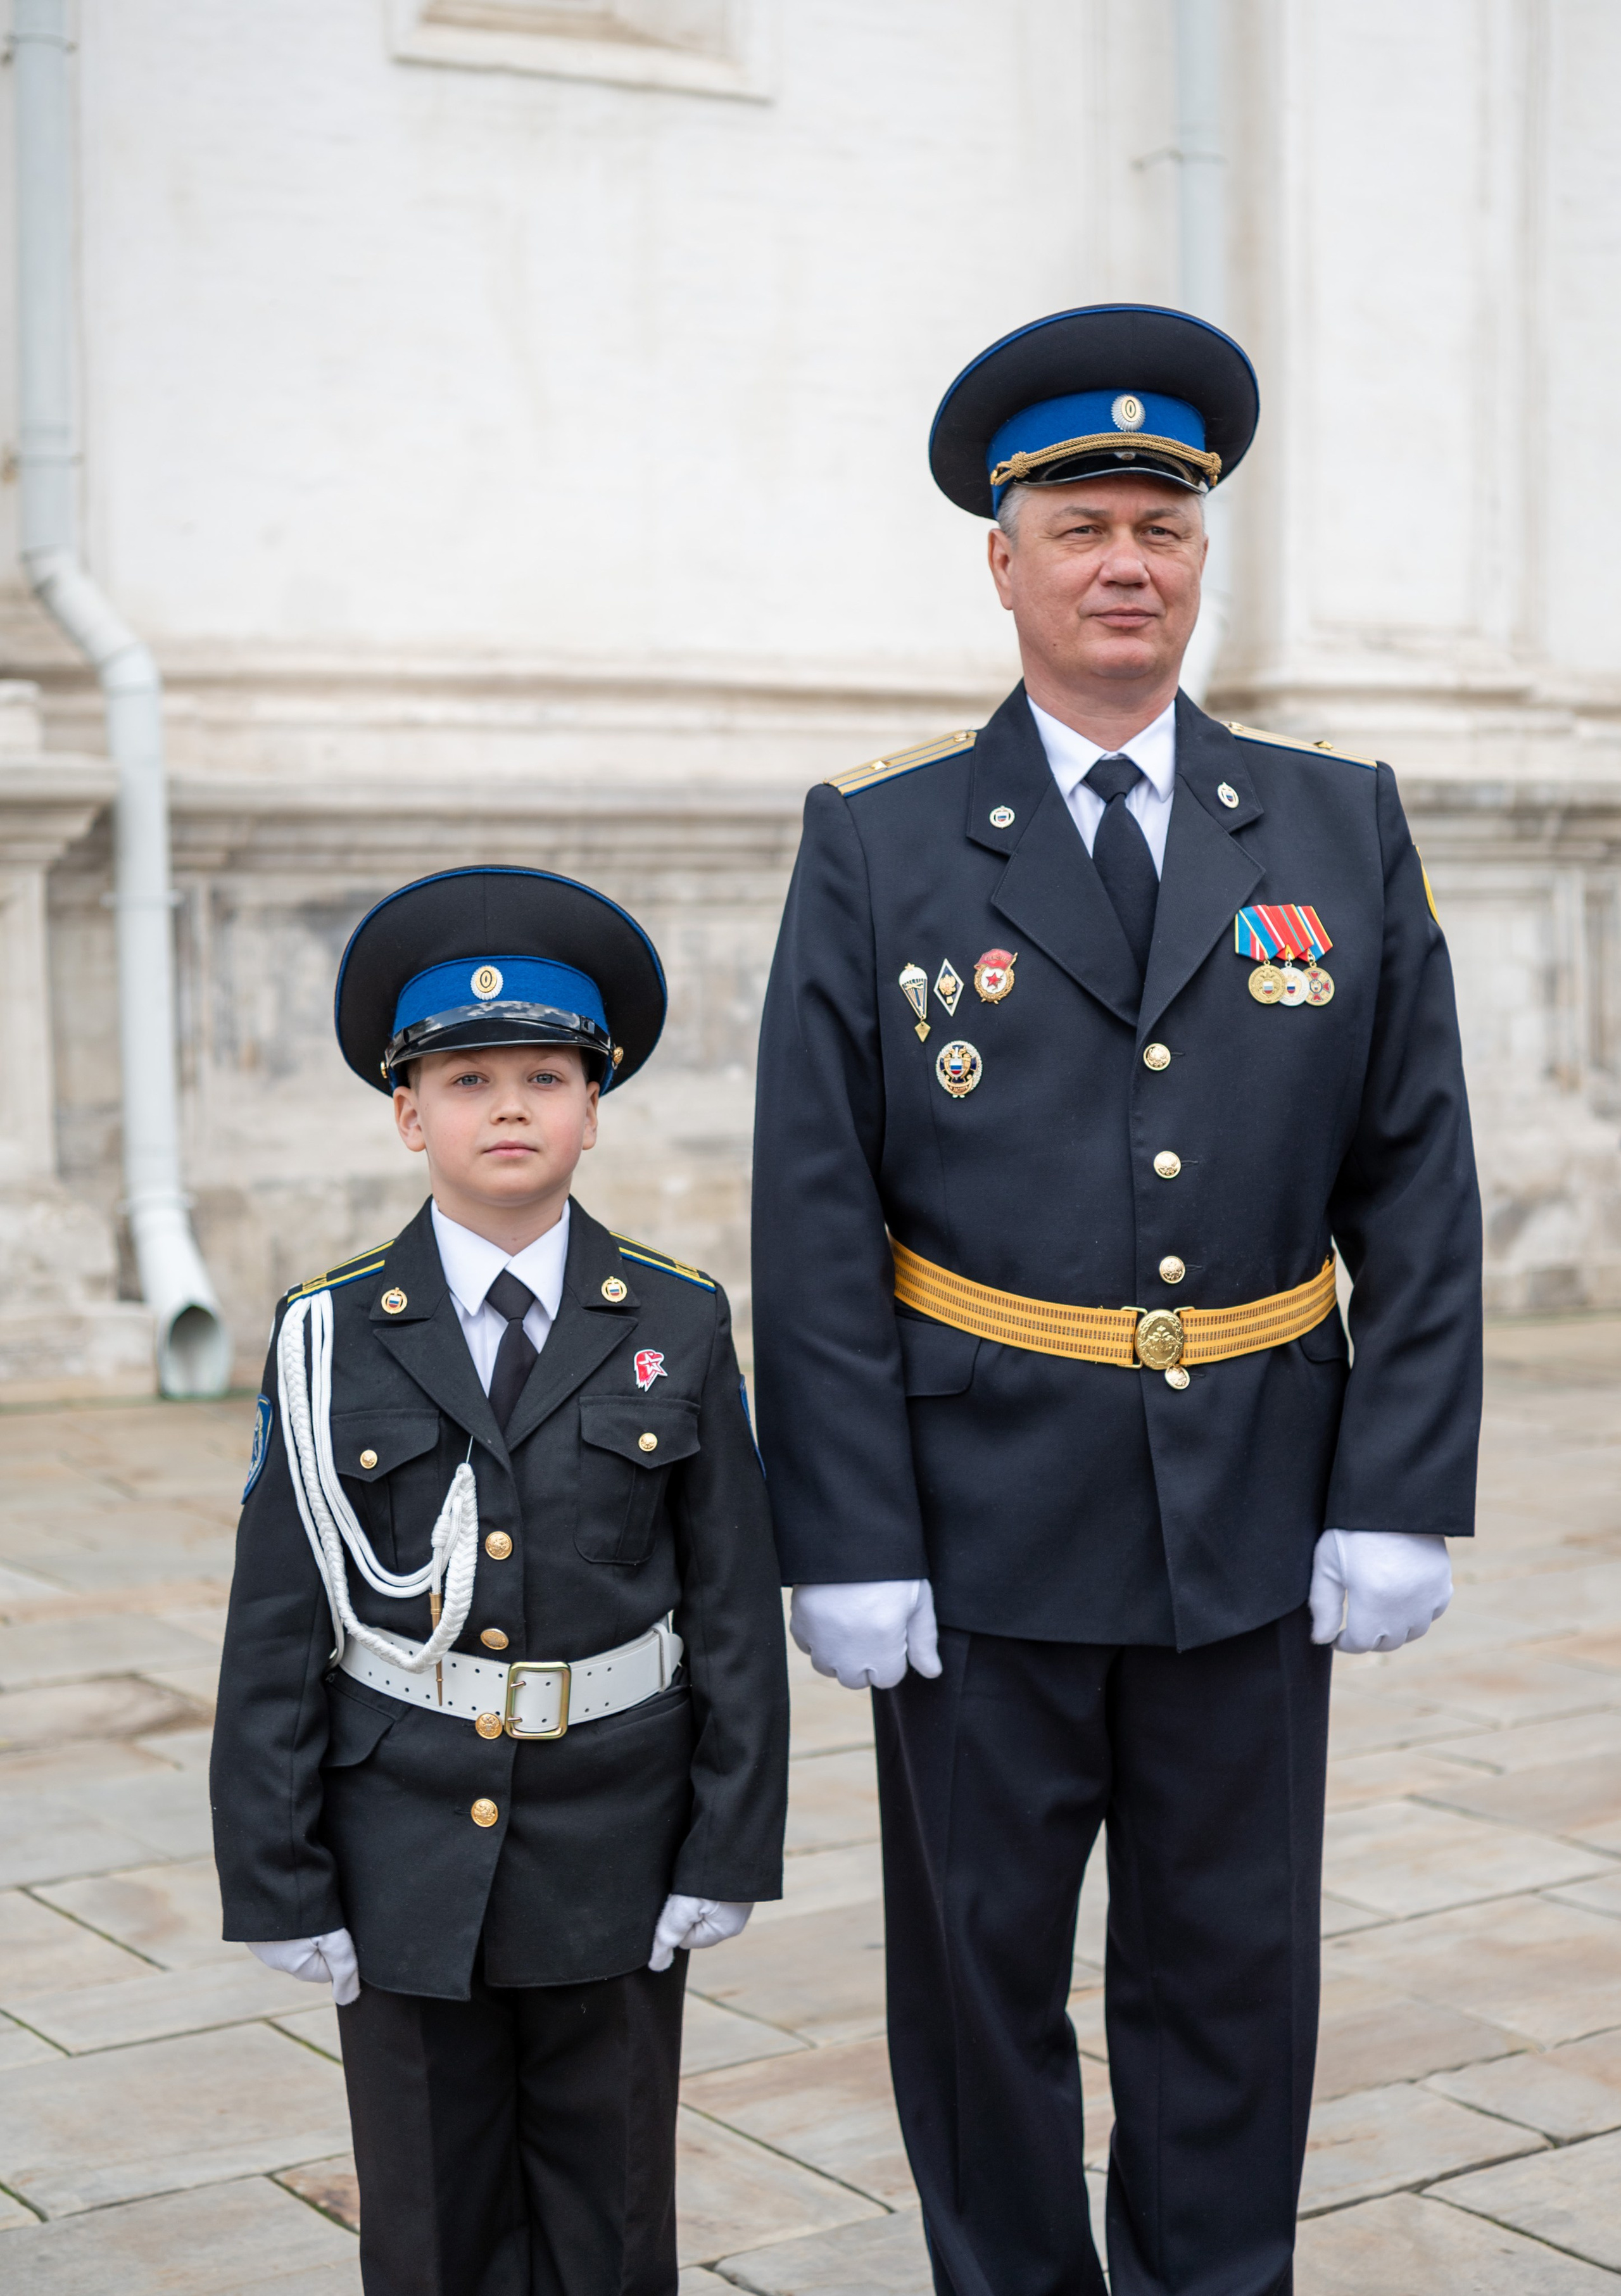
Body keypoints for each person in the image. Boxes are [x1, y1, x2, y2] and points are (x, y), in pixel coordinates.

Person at [750, 305, 1480, 2296]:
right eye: (1081, 525)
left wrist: (1397, 1479)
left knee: (1232, 1971)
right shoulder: (884, 840)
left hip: (1254, 1499)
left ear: (1203, 556)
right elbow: (813, 1214)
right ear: (1005, 559)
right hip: (977, 1522)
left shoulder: (1333, 819)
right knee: (980, 1985)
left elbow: (1415, 1169)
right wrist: (845, 1534)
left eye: (1163, 525)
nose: (1126, 563)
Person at [211, 866, 789, 2296]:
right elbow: (277, 1628)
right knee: (428, 2220)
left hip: (617, 1840)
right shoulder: (326, 1334)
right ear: (410, 1115)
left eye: (546, 1074)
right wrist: (276, 1876)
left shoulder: (676, 1317)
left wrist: (727, 1847)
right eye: (468, 1081)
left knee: (611, 2216)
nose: (510, 1106)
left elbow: (729, 1604)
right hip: (400, 1846)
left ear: (595, 1106)